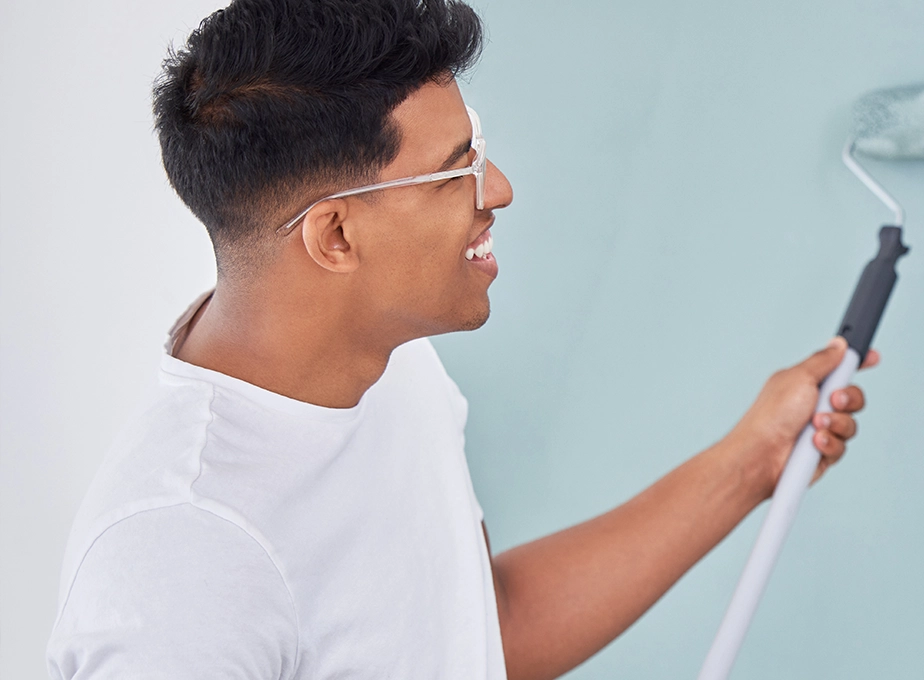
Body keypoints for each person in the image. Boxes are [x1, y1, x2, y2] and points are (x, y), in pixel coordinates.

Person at [45, 1, 875, 678]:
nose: (499, 189)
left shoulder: (391, 364)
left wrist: (752, 461)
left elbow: (483, 630)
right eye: (457, 169)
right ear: (336, 237)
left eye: (479, 144)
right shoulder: (181, 560)